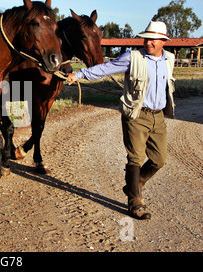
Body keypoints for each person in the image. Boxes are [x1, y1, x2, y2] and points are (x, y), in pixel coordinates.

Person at [67, 21, 175, 220]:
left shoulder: (170, 59)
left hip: (158, 116)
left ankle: (134, 183)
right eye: (146, 38)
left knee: (159, 160)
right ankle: (135, 202)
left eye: (153, 39)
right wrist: (78, 75)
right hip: (136, 115)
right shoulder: (133, 57)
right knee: (135, 157)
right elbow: (105, 68)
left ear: (163, 42)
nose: (148, 42)